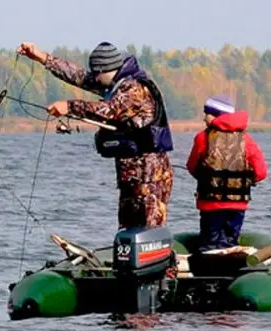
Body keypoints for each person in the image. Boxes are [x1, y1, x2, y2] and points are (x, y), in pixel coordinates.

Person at [17, 41, 174, 231]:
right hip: (131, 175)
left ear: (106, 69)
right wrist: (42, 57)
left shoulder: (135, 89)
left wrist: (70, 106)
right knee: (127, 231)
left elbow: (109, 110)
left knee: (150, 232)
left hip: (150, 176)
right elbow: (77, 76)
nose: (95, 79)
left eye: (97, 74)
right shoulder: (115, 84)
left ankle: (163, 260)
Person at [186, 95, 268, 252]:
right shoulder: (247, 140)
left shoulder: (203, 138)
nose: (204, 118)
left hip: (210, 205)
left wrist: (207, 178)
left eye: (207, 113)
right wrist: (247, 180)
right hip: (237, 206)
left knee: (209, 247)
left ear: (217, 115)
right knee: (230, 246)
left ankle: (208, 273)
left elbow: (192, 166)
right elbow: (261, 172)